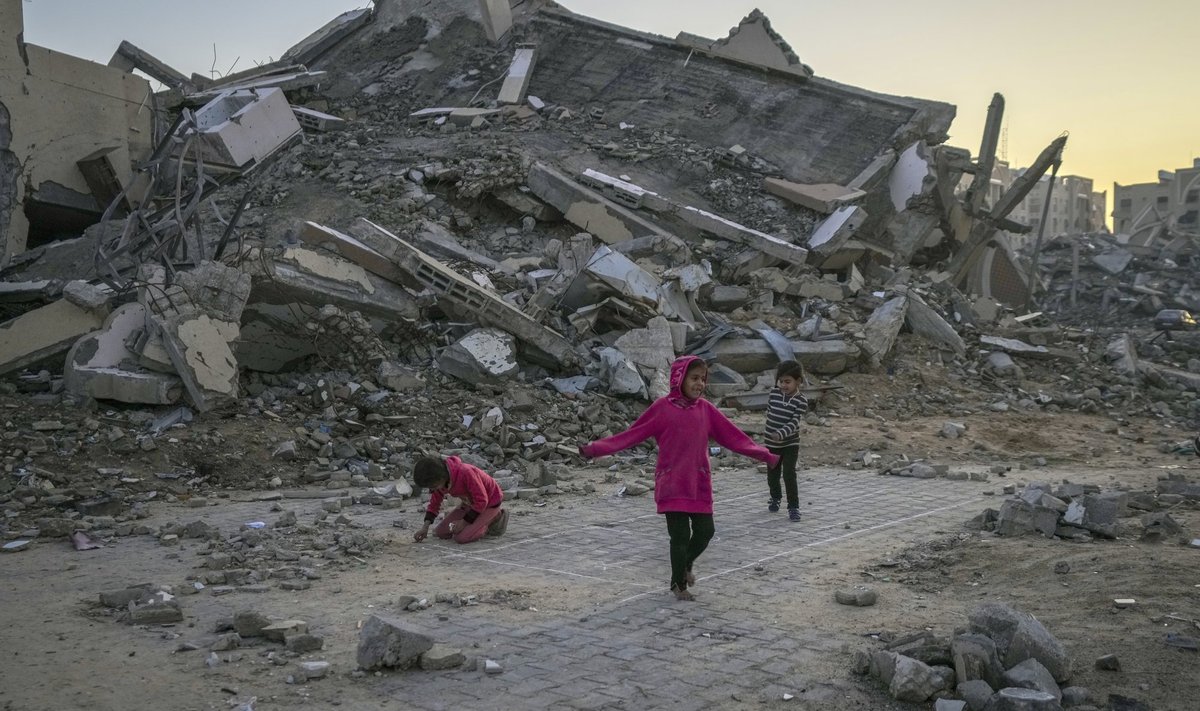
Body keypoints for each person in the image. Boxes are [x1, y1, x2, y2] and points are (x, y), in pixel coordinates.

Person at [579, 355, 780, 601]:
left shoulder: (706, 410)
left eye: (703, 379)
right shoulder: (662, 409)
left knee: (705, 532)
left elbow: (735, 438)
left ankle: (685, 565)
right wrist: (595, 449)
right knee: (680, 536)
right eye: (694, 378)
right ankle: (678, 584)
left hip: (698, 483)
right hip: (672, 483)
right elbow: (631, 436)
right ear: (679, 378)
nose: (700, 384)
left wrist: (765, 455)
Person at [412, 455, 508, 544]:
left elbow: (482, 500)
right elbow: (434, 504)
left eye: (433, 486)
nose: (432, 489)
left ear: (441, 478)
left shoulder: (466, 472)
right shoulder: (440, 483)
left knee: (462, 538)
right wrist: (425, 527)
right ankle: (475, 520)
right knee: (441, 532)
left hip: (489, 503)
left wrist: (464, 522)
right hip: (470, 504)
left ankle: (497, 517)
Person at [763, 360, 809, 522]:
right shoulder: (773, 394)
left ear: (798, 381)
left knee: (789, 474)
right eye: (781, 381)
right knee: (772, 475)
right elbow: (770, 413)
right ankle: (775, 497)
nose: (783, 385)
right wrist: (769, 435)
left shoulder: (801, 400)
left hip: (790, 444)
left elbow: (794, 422)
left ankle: (793, 507)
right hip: (771, 444)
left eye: (787, 382)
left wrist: (781, 433)